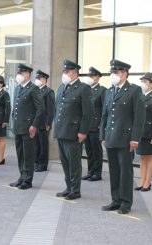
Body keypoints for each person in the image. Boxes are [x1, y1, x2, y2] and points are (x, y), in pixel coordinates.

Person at [100, 60, 145, 214]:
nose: (112, 75)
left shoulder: (135, 90)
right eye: (112, 72)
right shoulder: (109, 91)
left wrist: (135, 139)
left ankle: (126, 203)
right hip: (111, 138)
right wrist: (103, 136)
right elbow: (104, 116)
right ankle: (115, 200)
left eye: (115, 72)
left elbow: (139, 118)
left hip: (126, 139)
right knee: (114, 171)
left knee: (125, 172)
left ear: (124, 73)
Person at [54, 59, 93, 200]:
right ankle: (68, 187)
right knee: (64, 162)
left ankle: (75, 190)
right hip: (61, 131)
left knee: (74, 163)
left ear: (75, 73)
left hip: (73, 132)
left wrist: (83, 131)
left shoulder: (83, 88)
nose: (64, 73)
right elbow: (57, 109)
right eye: (63, 71)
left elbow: (88, 113)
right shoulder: (61, 87)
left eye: (67, 71)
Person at [9, 64, 44, 190]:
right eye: (19, 73)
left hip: (28, 128)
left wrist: (34, 126)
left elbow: (41, 109)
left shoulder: (34, 89)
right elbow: (15, 108)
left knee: (28, 154)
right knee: (20, 154)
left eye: (22, 73)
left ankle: (28, 180)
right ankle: (22, 176)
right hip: (18, 127)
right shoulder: (18, 88)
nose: (19, 75)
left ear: (28, 74)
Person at [135, 72, 152, 192]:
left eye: (145, 82)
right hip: (141, 132)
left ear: (151, 84)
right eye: (142, 81)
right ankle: (142, 180)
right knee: (142, 157)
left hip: (150, 132)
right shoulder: (140, 96)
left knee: (150, 157)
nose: (143, 84)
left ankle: (148, 182)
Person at [81, 67, 106, 181]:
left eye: (92, 76)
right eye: (89, 76)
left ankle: (97, 173)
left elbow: (105, 110)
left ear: (97, 77)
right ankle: (90, 171)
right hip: (87, 125)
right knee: (89, 150)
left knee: (96, 151)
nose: (89, 78)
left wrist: (101, 125)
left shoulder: (102, 90)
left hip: (96, 126)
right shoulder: (86, 89)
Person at [34, 70, 55, 172]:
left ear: (44, 80)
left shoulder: (48, 92)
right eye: (36, 78)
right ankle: (36, 162)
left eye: (39, 78)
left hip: (43, 123)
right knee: (36, 144)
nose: (37, 80)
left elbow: (50, 109)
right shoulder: (35, 90)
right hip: (35, 122)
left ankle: (42, 164)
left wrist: (48, 123)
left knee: (43, 144)